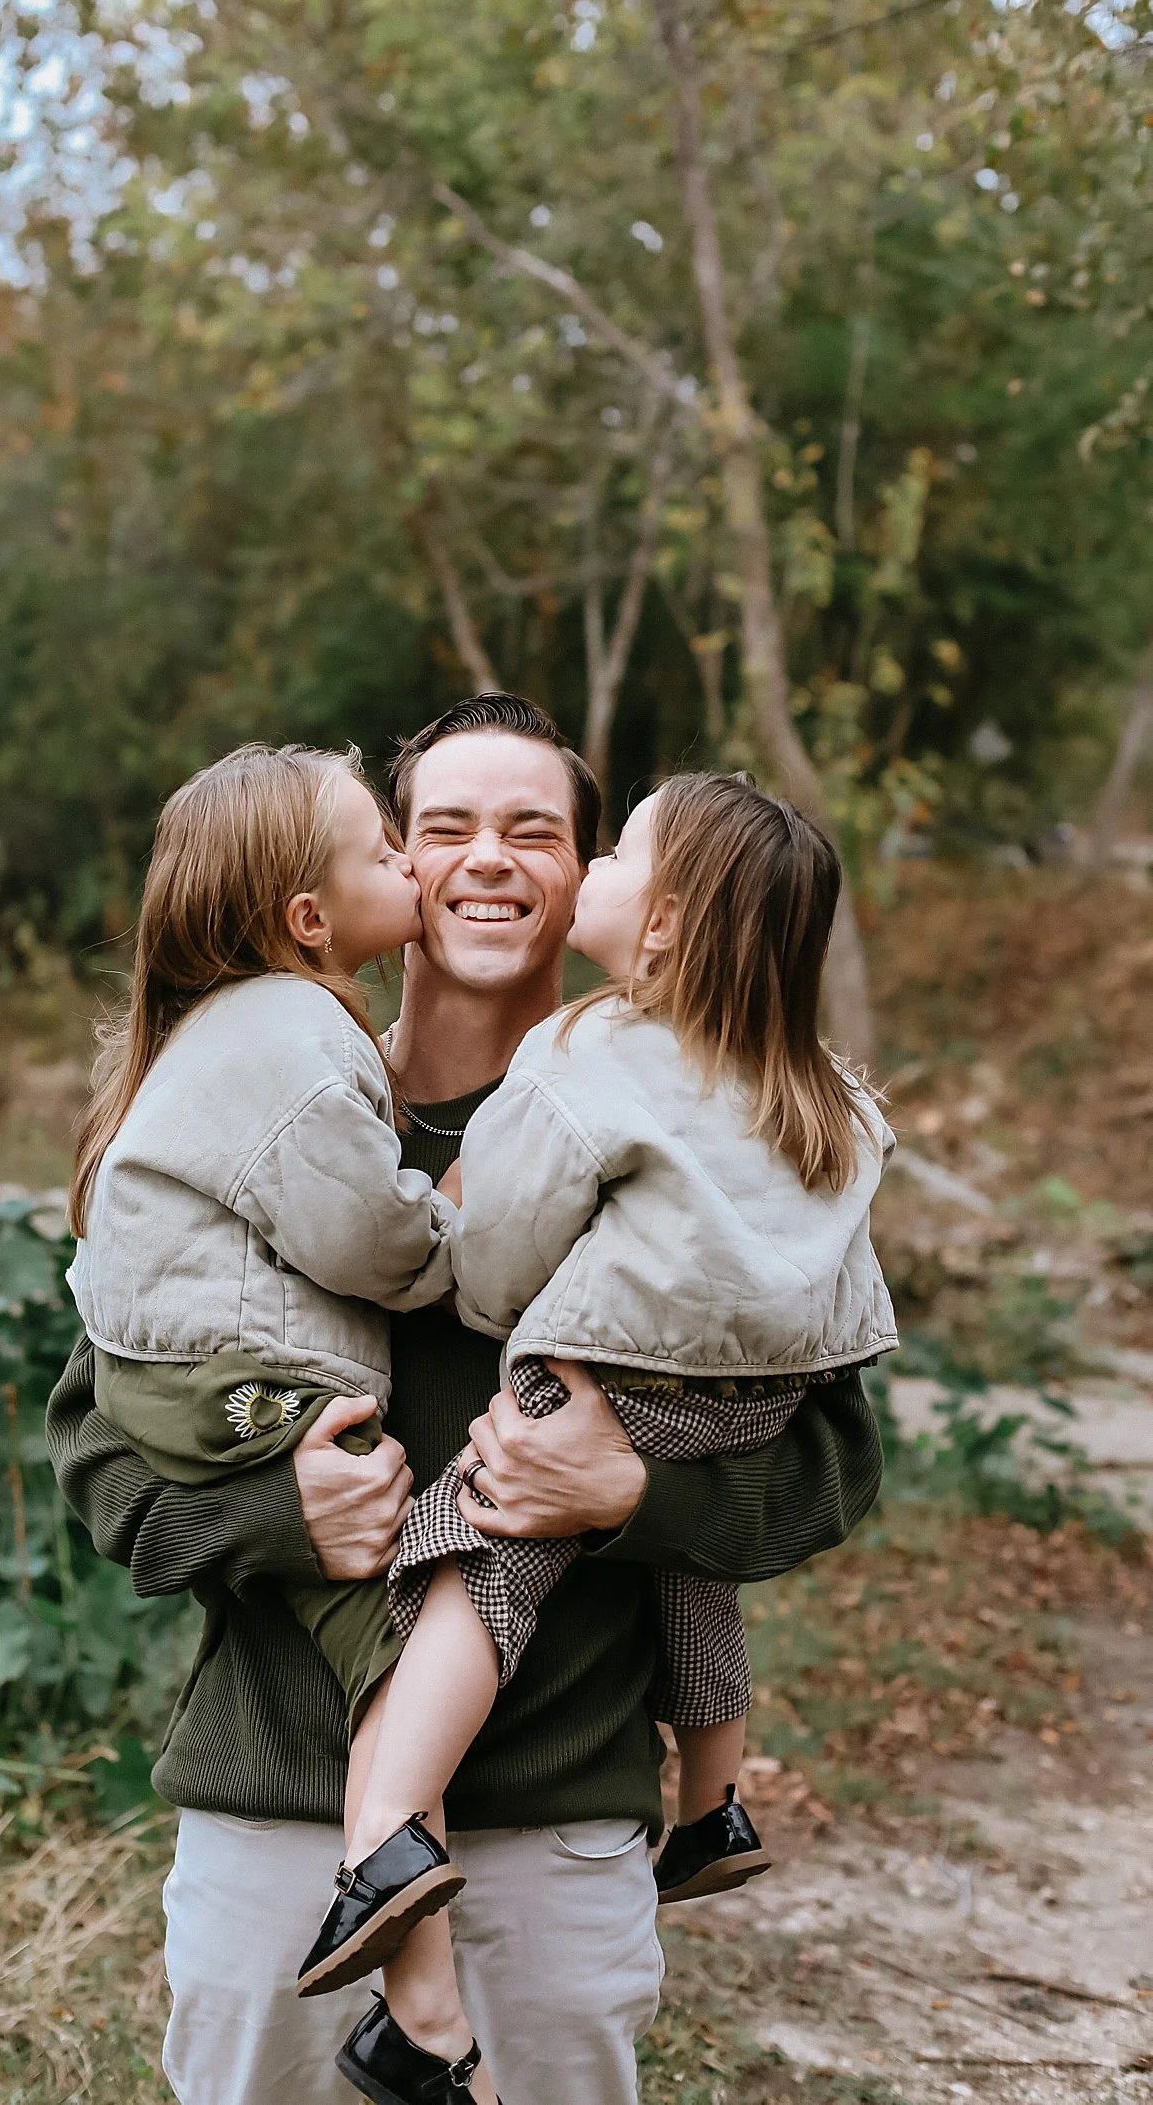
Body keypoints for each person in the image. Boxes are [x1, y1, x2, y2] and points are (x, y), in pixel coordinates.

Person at [45, 693, 887, 2105]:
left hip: (556, 1833)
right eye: (442, 827)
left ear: (598, 882)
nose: (487, 858)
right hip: (279, 1824)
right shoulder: (265, 1116)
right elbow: (100, 1454)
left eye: (536, 830)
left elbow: (834, 1463)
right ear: (372, 875)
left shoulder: (711, 1124)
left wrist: (637, 1493)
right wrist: (276, 1509)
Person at [293, 773, 898, 2085]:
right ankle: (715, 1797)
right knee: (692, 1558)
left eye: (611, 849)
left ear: (665, 922)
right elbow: (845, 1271)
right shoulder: (826, 1090)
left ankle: (392, 1820)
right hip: (753, 1390)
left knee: (477, 1550)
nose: (596, 871)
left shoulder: (591, 1047)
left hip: (606, 1372)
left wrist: (491, 1284)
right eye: (440, 827)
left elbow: (504, 1246)